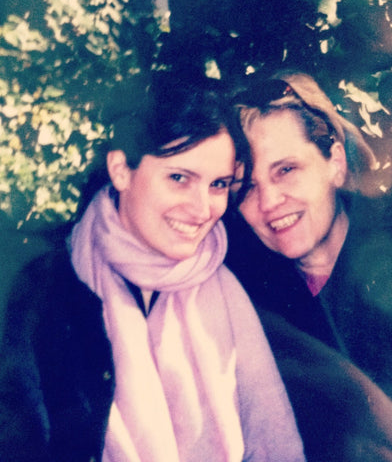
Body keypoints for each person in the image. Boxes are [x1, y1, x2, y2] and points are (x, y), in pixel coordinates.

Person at [0, 73, 306, 462]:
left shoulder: (239, 283)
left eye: (218, 185)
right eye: (179, 178)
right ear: (121, 170)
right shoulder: (42, 292)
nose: (202, 209)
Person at [225, 70, 392, 461]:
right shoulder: (255, 309)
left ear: (336, 164)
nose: (268, 201)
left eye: (286, 170)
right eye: (247, 187)